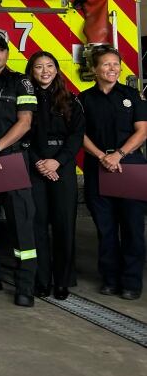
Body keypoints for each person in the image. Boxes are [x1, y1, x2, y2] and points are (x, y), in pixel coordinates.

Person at [79, 46, 147, 300]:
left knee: (132, 227)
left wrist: (118, 154)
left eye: (116, 64)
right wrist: (101, 156)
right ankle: (109, 278)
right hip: (98, 168)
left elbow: (142, 131)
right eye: (106, 65)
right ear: (94, 70)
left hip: (129, 166)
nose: (112, 69)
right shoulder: (84, 100)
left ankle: (131, 282)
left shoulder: (132, 95)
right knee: (105, 228)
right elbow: (80, 135)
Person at [0, 34, 38, 307]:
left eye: (0, 50)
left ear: (7, 54)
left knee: (21, 224)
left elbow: (24, 123)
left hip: (10, 158)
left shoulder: (20, 82)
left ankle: (25, 286)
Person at [25, 51, 85, 301]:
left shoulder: (71, 101)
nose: (45, 71)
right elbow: (23, 134)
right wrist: (39, 162)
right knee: (37, 226)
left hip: (62, 167)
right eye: (39, 67)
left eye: (49, 66)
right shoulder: (25, 100)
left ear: (57, 70)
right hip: (35, 166)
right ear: (32, 71)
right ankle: (41, 281)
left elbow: (76, 136)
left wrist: (56, 162)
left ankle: (62, 281)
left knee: (64, 226)